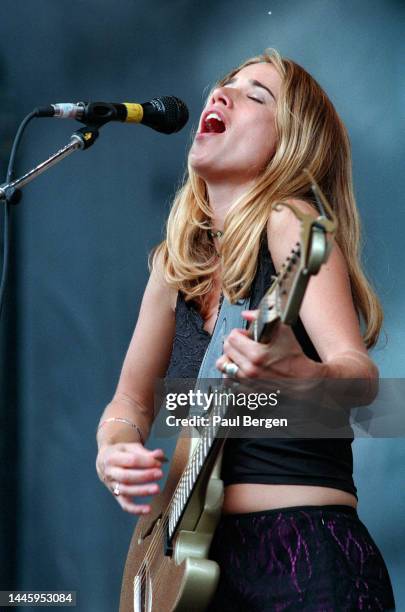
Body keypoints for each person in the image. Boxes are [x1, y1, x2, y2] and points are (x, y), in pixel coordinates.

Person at [96, 49, 395, 610]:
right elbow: (129, 401)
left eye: (256, 94)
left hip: (300, 555)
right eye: (224, 85)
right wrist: (114, 448)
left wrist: (303, 375)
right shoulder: (174, 264)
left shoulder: (292, 224)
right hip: (188, 568)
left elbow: (360, 375)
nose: (221, 94)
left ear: (293, 145)